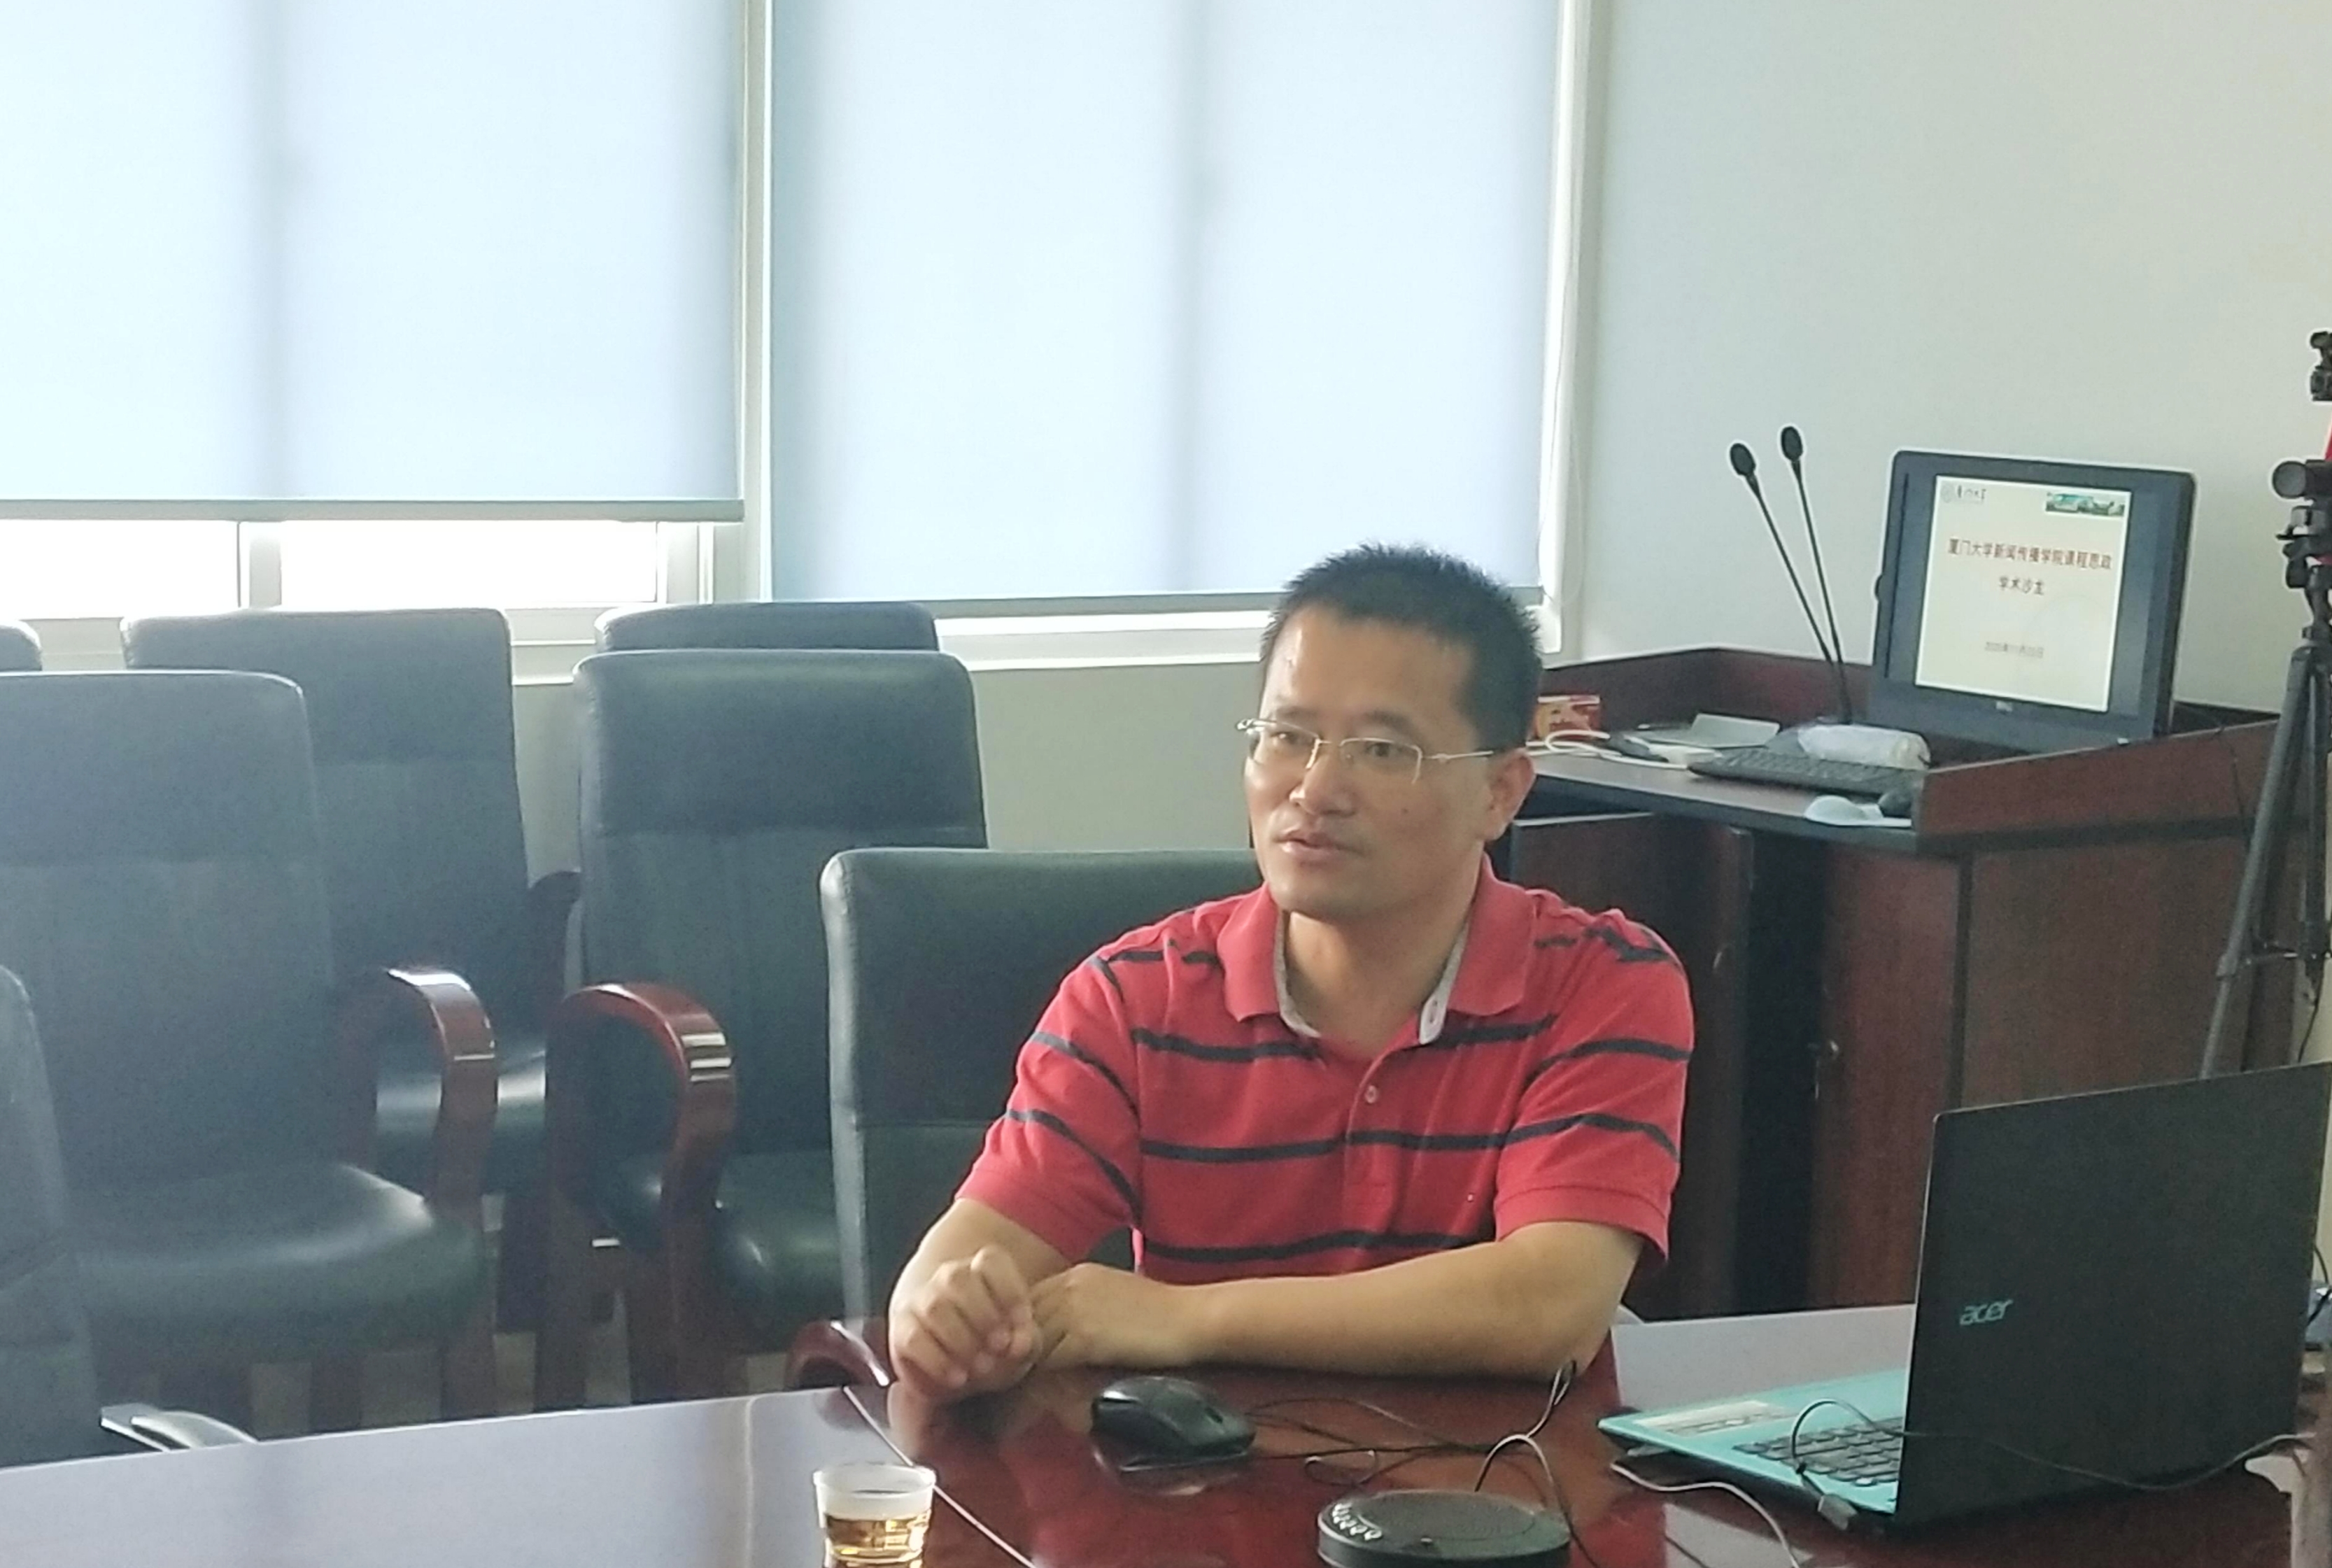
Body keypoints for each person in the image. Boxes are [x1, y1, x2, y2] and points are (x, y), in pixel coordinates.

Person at [888, 544, 1693, 1400]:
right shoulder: (1133, 998)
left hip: (1501, 1475)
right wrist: (945, 1319)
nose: (1315, 789)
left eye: (1382, 751)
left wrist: (1188, 1318)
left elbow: (1548, 1305)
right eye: (1287, 737)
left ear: (1501, 791)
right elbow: (946, 1275)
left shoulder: (1605, 984)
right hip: (1203, 1477)